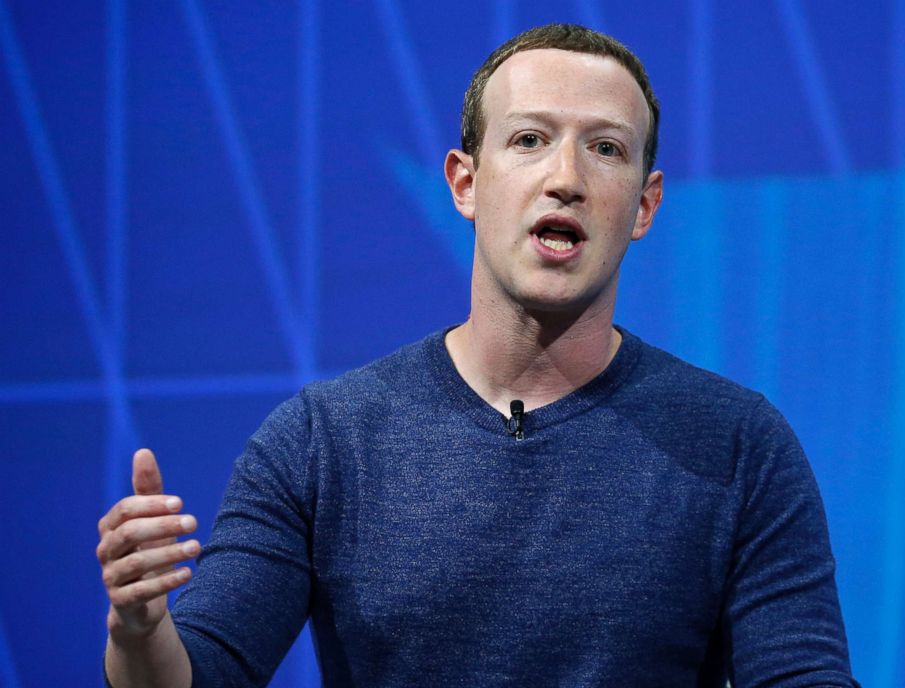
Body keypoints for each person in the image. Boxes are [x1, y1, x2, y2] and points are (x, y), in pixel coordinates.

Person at [96, 24, 858, 687]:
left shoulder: (738, 444)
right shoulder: (323, 442)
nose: (566, 178)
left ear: (645, 206)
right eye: (530, 140)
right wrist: (138, 633)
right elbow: (200, 675)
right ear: (466, 182)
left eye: (605, 148)